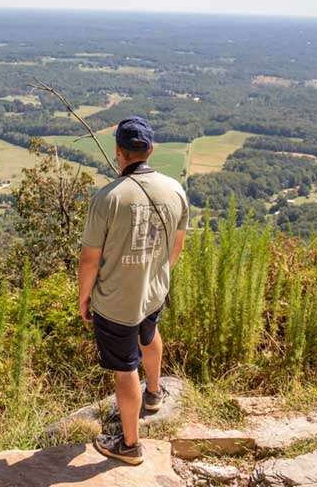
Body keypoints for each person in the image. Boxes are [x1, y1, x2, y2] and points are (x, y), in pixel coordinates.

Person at [78, 116, 189, 465]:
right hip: (153, 291)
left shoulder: (107, 198)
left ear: (119, 154)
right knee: (150, 332)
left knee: (125, 367)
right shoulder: (175, 190)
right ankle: (154, 394)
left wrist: (84, 297)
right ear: (151, 150)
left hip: (116, 300)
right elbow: (177, 246)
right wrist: (156, 274)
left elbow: (89, 259)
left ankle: (129, 445)